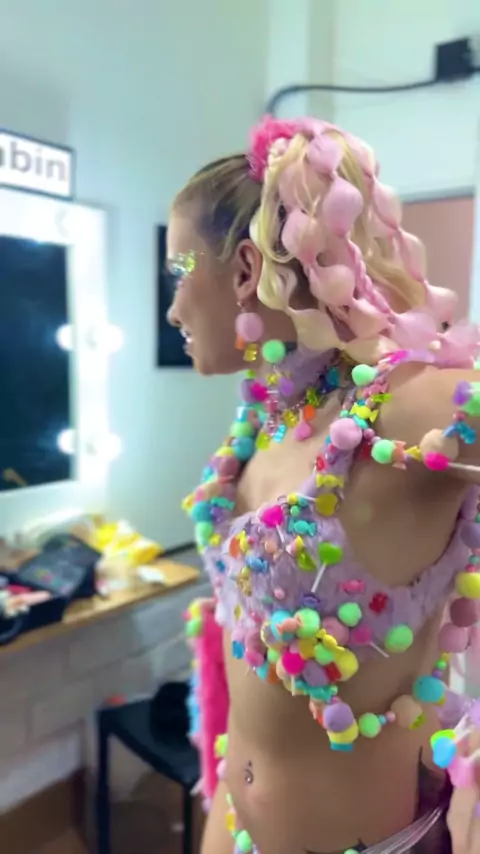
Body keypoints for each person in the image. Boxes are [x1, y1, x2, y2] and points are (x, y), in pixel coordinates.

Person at [167, 115, 480, 854]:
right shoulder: (266, 417)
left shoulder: (406, 409)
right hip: (236, 829)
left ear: (245, 270)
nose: (175, 308)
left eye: (180, 272)